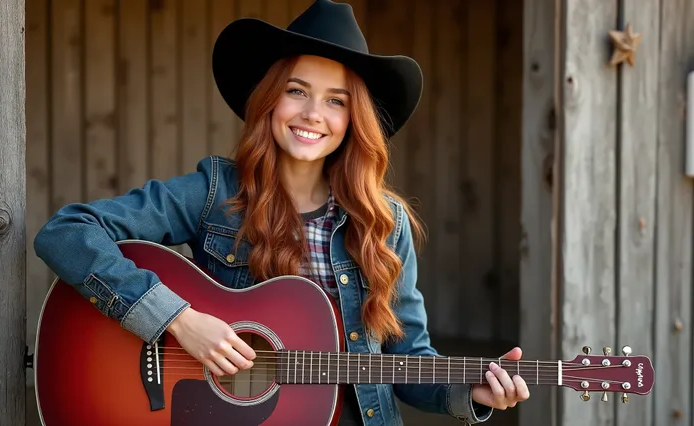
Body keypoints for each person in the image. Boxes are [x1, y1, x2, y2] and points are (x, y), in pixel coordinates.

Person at [33, 0, 529, 424]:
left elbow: (408, 362)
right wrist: (178, 320)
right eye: (296, 91)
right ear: (269, 101)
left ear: (354, 120)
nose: (313, 113)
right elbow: (68, 231)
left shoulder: (386, 225)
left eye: (336, 100)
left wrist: (470, 392)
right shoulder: (214, 194)